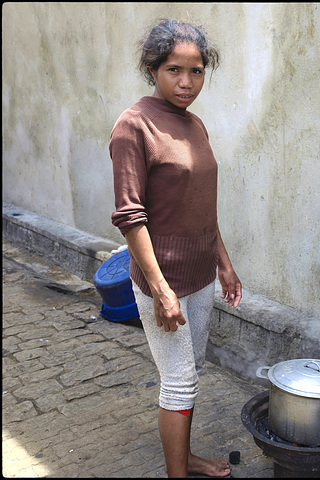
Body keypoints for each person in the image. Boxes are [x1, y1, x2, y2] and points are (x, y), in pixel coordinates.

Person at [109, 18, 242, 478]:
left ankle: (184, 457)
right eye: (174, 70)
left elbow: (202, 206)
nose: (187, 82)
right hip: (161, 279)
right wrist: (162, 290)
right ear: (152, 69)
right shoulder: (134, 126)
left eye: (197, 71)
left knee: (191, 370)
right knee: (179, 382)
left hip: (202, 274)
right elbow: (130, 216)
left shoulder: (195, 125)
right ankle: (177, 473)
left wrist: (224, 264)